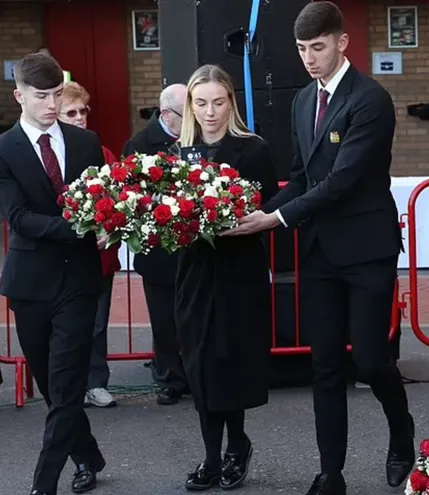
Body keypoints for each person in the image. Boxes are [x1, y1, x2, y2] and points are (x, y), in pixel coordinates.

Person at [222, 3, 415, 493]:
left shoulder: (370, 99)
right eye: (302, 49)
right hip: (319, 253)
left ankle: (402, 432)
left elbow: (343, 179)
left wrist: (276, 218)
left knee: (370, 361)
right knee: (325, 365)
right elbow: (305, 177)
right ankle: (331, 474)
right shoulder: (303, 101)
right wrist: (256, 209)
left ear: (341, 42)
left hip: (367, 248)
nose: (309, 58)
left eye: (318, 47)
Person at [0, 53, 106, 495]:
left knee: (65, 386)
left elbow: (104, 199)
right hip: (30, 283)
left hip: (80, 281)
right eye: (41, 96)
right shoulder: (4, 148)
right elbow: (18, 216)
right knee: (50, 382)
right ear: (19, 95)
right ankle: (88, 455)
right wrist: (77, 227)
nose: (50, 104)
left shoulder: (86, 143)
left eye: (57, 95)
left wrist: (107, 224)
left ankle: (43, 485)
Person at [173, 64, 278, 491]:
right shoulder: (178, 152)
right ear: (190, 106)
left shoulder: (253, 149)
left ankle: (236, 448)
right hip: (195, 270)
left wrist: (249, 220)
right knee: (198, 363)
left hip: (240, 270)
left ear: (230, 102)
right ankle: (211, 457)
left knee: (229, 361)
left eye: (218, 102)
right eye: (201, 103)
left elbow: (269, 207)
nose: (210, 112)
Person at [122, 84, 190, 405]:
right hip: (158, 249)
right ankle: (169, 379)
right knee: (164, 318)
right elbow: (130, 196)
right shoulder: (138, 146)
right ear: (166, 115)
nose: (196, 117)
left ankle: (196, 374)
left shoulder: (197, 138)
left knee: (194, 314)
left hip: (193, 245)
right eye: (186, 112)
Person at [58, 81, 120, 408]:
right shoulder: (49, 153)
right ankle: (67, 386)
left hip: (99, 256)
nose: (80, 117)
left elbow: (122, 200)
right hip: (61, 255)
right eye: (72, 112)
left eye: (83, 111)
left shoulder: (103, 152)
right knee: (65, 326)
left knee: (97, 323)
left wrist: (110, 229)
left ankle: (96, 382)